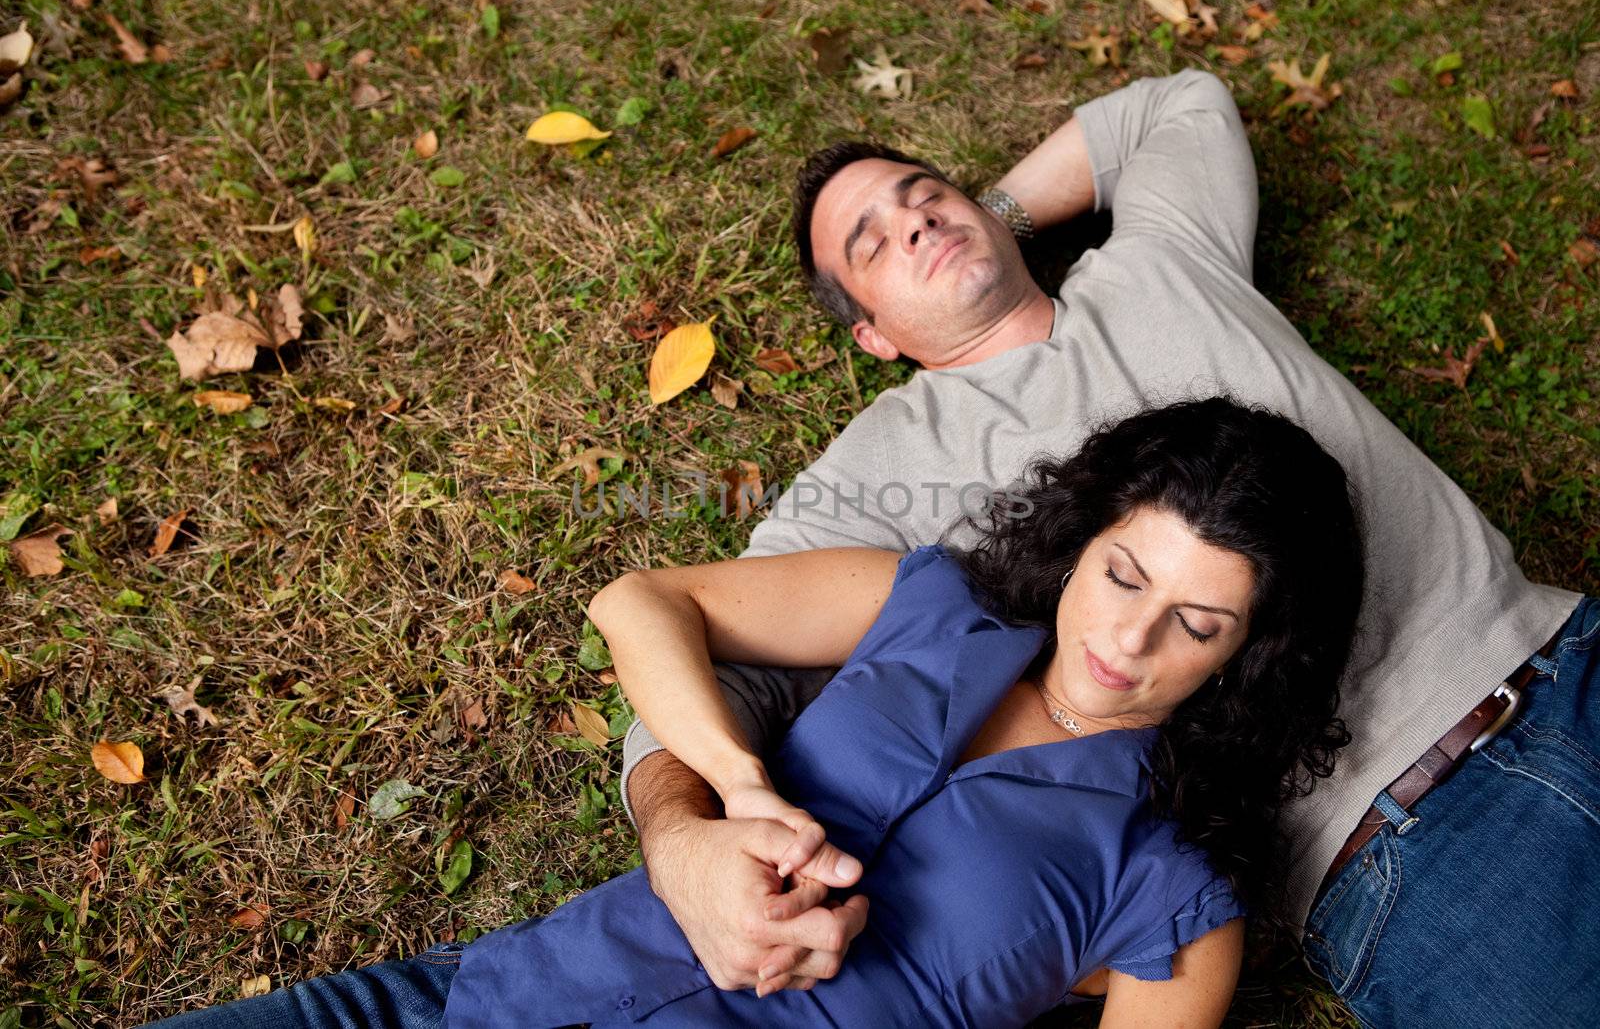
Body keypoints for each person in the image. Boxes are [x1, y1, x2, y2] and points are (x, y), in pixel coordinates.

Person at [617, 68, 1592, 1027]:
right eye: (872, 242)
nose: (913, 221)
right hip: (1408, 842)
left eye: (926, 196)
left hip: (1564, 644)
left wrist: (992, 211)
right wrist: (681, 839)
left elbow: (1178, 106)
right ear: (871, 334)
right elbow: (700, 647)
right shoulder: (878, 470)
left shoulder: (1160, 259)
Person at [147, 397, 1366, 1028]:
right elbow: (641, 601)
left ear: (1251, 658)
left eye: (1197, 626)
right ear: (1088, 534)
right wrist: (729, 789)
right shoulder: (928, 602)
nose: (1125, 641)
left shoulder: (1177, 885)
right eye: (1122, 575)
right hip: (475, 997)